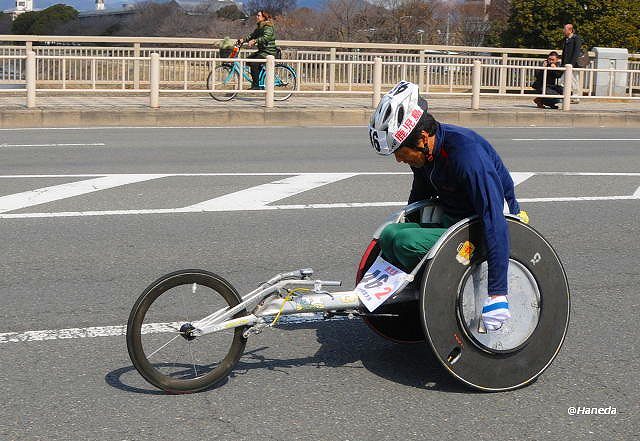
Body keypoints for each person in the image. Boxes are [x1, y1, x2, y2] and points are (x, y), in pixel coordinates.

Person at [368, 81, 528, 331]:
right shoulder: (425, 154)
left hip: (485, 226)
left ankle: (432, 290)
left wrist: (498, 293)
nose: (399, 159)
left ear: (422, 138)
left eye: (400, 151)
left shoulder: (466, 155)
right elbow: (419, 193)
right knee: (390, 233)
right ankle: (412, 286)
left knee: (404, 242)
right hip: (455, 216)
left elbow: (493, 217)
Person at [238, 10, 277, 90]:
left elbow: (266, 37)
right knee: (248, 60)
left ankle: (256, 85)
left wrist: (255, 41)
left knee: (254, 63)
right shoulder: (260, 26)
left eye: (258, 15)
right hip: (262, 51)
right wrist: (243, 40)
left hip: (268, 52)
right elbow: (252, 35)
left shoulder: (268, 26)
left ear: (263, 17)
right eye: (257, 15)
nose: (257, 17)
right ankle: (259, 80)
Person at [560, 23, 583, 103]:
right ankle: (567, 96)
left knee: (574, 81)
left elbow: (576, 52)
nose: (563, 31)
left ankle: (575, 97)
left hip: (573, 64)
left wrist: (571, 64)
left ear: (570, 30)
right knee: (563, 81)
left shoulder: (576, 38)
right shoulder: (566, 39)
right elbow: (564, 53)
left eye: (565, 29)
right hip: (566, 64)